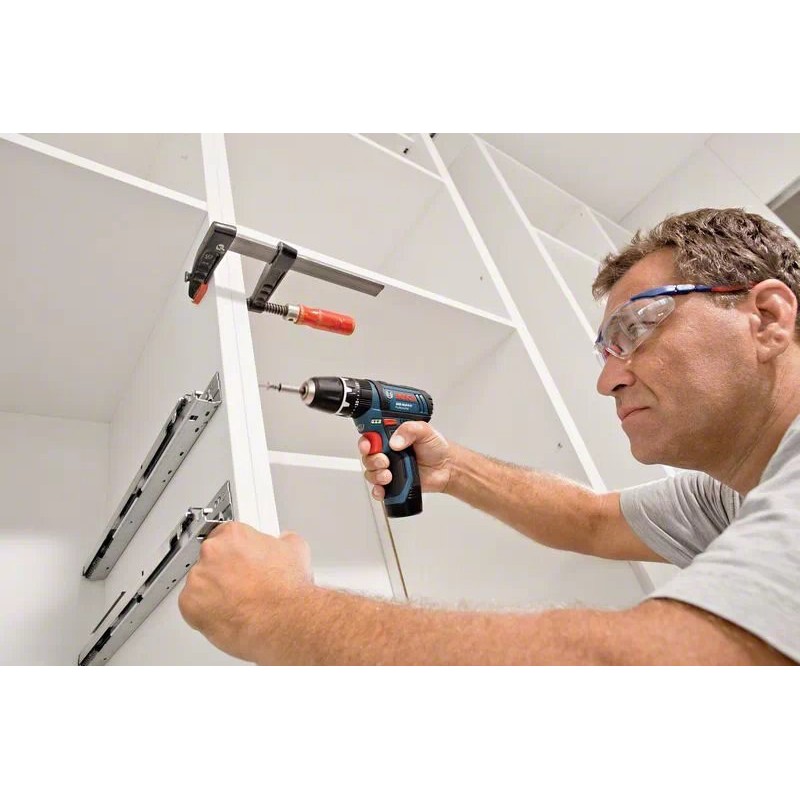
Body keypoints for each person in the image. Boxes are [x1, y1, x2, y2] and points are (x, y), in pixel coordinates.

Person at [178, 207, 800, 665]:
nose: (606, 380)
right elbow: (589, 520)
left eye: (635, 328)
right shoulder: (728, 498)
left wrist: (276, 613)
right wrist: (454, 470)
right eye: (606, 350)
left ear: (767, 318)